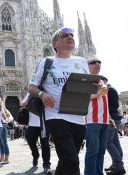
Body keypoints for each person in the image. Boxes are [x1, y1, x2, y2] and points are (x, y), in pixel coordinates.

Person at [29, 27, 103, 175]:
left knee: (67, 160)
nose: (70, 37)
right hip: (55, 116)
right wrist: (42, 94)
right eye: (65, 36)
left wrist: (98, 89)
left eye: (71, 35)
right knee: (72, 161)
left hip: (78, 117)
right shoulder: (47, 62)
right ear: (55, 43)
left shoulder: (82, 62)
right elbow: (31, 87)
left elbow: (86, 90)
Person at [84, 58, 110, 175]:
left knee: (101, 151)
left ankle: (98, 172)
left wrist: (109, 118)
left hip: (104, 121)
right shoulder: (86, 79)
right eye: (93, 62)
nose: (97, 64)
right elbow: (82, 97)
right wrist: (98, 93)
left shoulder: (101, 80)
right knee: (92, 151)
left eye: (99, 62)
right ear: (87, 65)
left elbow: (104, 101)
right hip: (92, 120)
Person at [21, 94, 52, 174]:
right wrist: (31, 96)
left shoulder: (46, 93)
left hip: (44, 124)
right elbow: (22, 104)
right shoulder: (30, 94)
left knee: (45, 145)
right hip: (32, 125)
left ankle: (46, 165)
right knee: (31, 142)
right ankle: (35, 155)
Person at [103, 77, 126, 175]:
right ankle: (116, 165)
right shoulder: (112, 89)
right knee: (115, 142)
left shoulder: (108, 90)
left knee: (108, 142)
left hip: (111, 118)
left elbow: (108, 105)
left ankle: (119, 166)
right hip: (115, 117)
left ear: (104, 81)